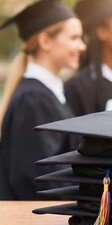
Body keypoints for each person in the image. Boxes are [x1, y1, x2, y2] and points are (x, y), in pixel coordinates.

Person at [0, 0, 86, 200]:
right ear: (45, 41)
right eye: (74, 37)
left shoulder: (49, 93)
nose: (82, 46)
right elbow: (41, 178)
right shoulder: (32, 99)